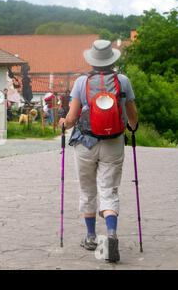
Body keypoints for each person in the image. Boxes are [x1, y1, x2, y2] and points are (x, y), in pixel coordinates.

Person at [59, 40, 138, 263]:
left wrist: (64, 122)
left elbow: (72, 119)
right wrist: (132, 126)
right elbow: (132, 115)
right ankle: (111, 233)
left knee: (88, 190)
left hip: (85, 143)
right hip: (113, 143)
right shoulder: (123, 81)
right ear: (112, 59)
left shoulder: (81, 82)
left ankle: (91, 237)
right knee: (109, 190)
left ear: (92, 60)